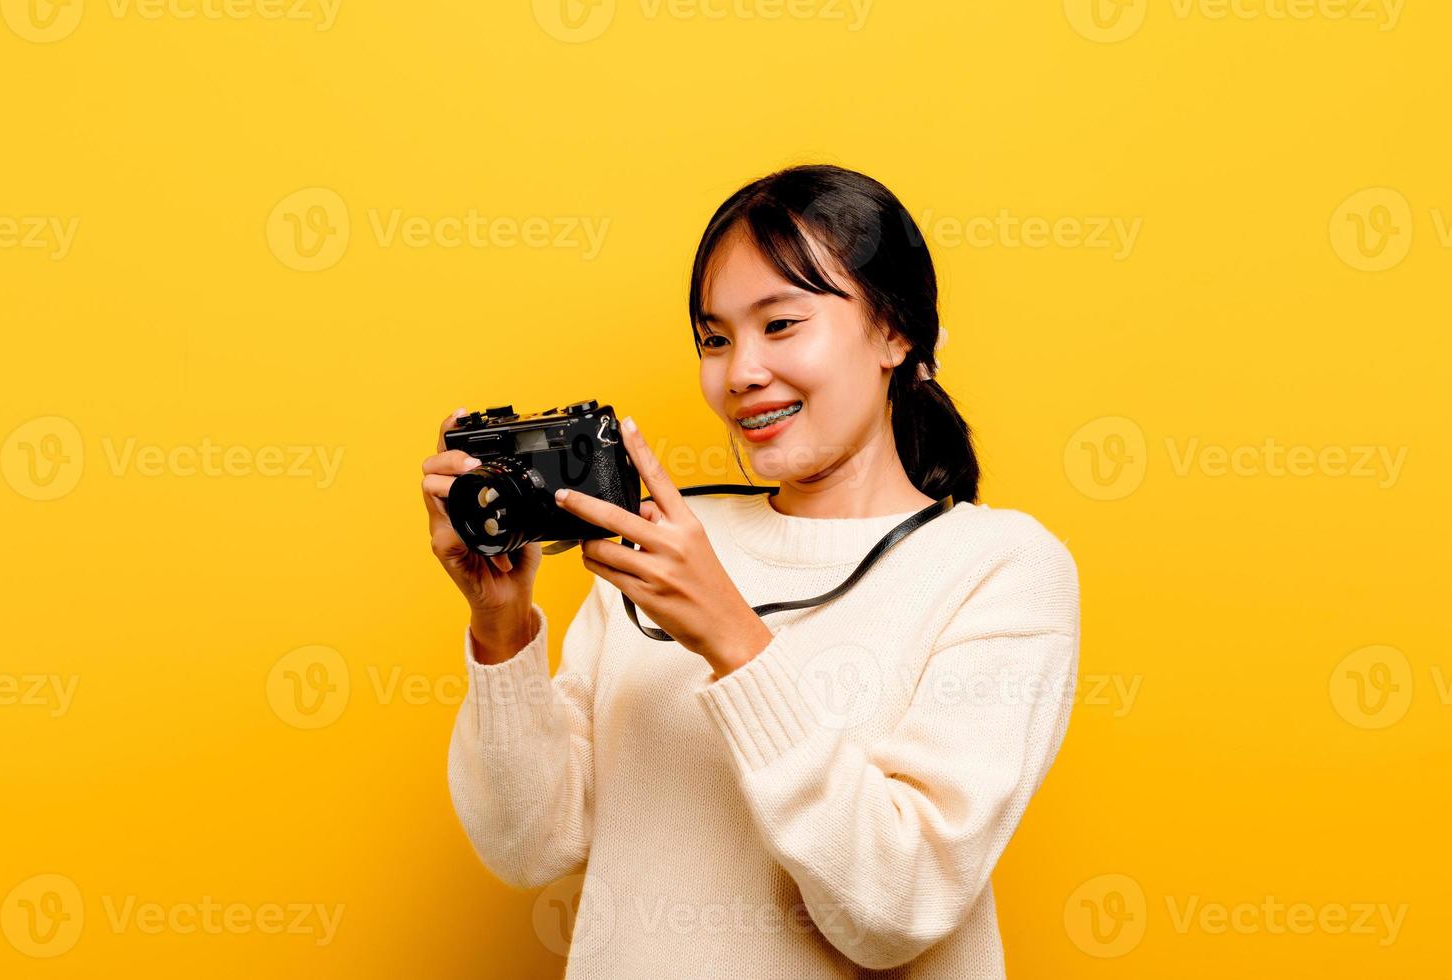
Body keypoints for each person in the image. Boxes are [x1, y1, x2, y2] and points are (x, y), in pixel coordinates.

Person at [420, 164, 1081, 978]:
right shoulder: (664, 547)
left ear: (893, 332)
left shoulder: (1000, 568)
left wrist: (733, 638)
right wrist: (502, 625)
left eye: (781, 324)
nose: (740, 375)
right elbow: (531, 842)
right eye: (715, 339)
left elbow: (899, 904)